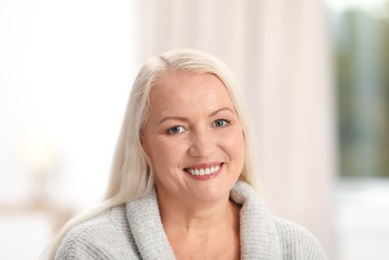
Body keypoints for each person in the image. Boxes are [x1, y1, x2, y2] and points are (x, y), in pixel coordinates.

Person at [44, 49, 327, 260]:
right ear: (143, 145)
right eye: (176, 129)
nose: (203, 148)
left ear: (242, 131)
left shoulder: (299, 250)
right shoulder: (93, 249)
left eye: (220, 122)